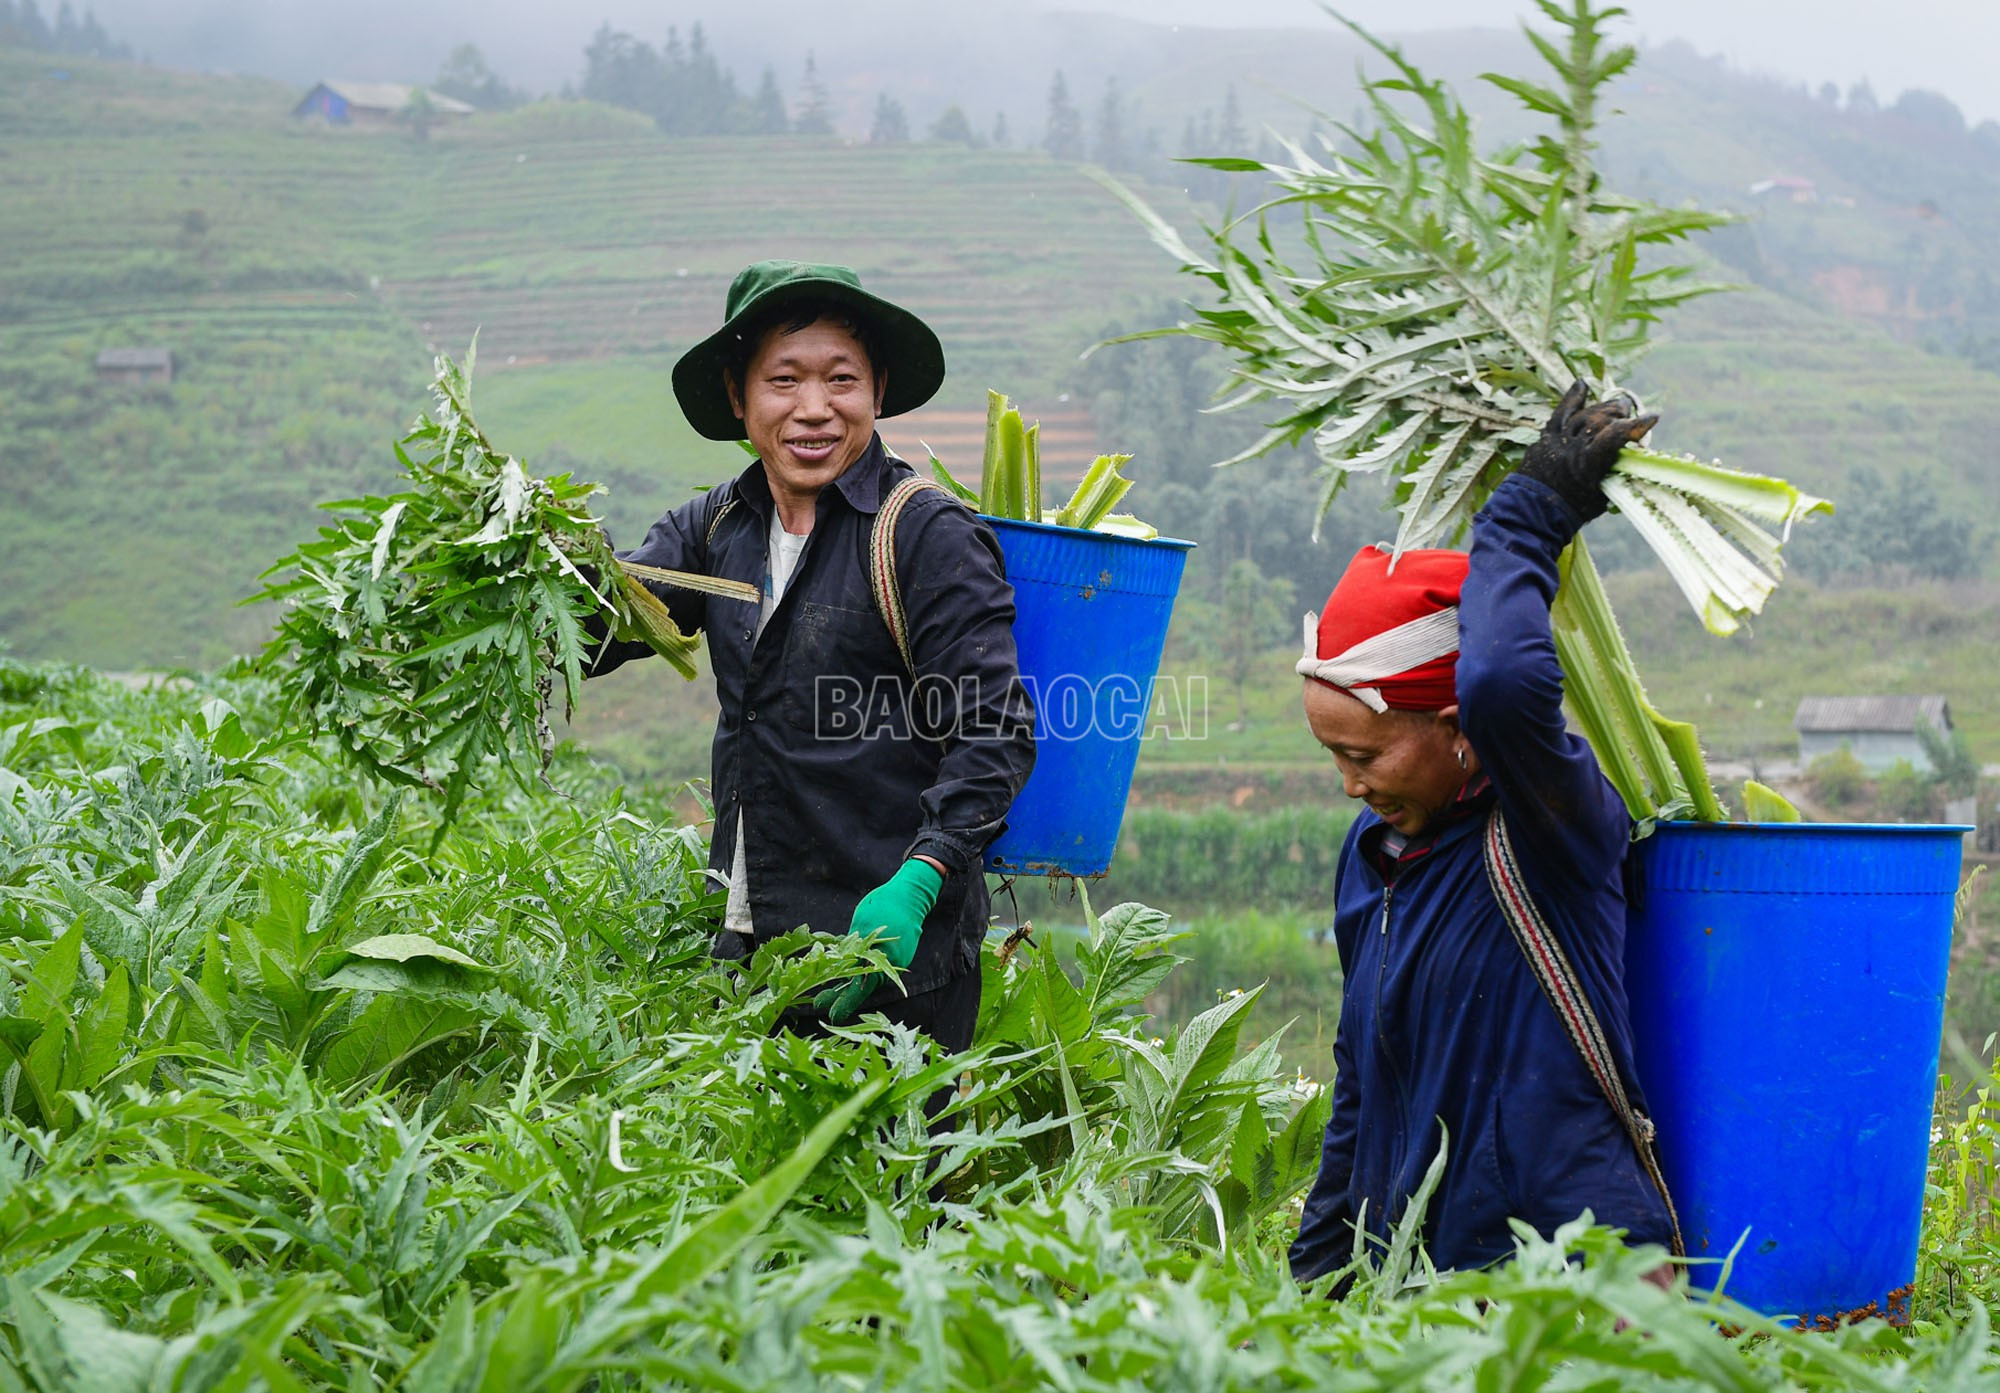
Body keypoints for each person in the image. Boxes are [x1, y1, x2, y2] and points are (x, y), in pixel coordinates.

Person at [589, 260, 1036, 1053]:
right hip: (753, 947)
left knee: (897, 1173)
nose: (814, 409)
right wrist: (516, 582)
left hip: (895, 957)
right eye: (784, 380)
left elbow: (995, 731)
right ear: (739, 396)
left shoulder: (924, 536)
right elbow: (610, 623)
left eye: (841, 380)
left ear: (877, 390)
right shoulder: (715, 527)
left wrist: (920, 877)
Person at [1287, 382, 1678, 1284]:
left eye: (1367, 753)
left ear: (1460, 729)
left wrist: (1531, 515)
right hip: (1428, 1296)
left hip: (1575, 1290)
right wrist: (1313, 1285)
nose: (1349, 783)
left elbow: (1503, 677)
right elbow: (1361, 1091)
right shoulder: (1372, 857)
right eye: (1331, 755)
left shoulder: (1550, 831)